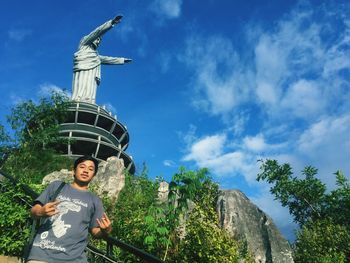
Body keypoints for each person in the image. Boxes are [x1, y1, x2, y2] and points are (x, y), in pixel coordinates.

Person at [27, 155, 112, 263]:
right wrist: (40, 212)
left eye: (90, 169)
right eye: (82, 167)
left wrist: (106, 231)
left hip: (75, 259)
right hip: (42, 254)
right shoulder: (56, 186)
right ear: (74, 170)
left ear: (93, 176)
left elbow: (95, 232)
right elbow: (34, 210)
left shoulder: (95, 200)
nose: (86, 171)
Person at [72, 15, 132, 104]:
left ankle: (89, 101)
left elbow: (108, 59)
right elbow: (97, 32)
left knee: (90, 85)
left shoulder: (96, 56)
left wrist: (122, 60)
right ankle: (78, 99)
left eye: (99, 41)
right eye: (97, 39)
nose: (98, 42)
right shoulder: (84, 44)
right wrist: (111, 23)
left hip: (92, 73)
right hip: (82, 70)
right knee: (82, 84)